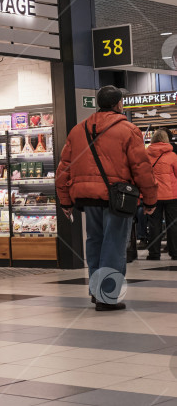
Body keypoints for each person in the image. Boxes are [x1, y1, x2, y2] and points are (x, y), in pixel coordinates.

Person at [56, 85, 157, 312]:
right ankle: (107, 296)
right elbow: (141, 169)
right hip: (117, 199)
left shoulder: (77, 130)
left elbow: (64, 169)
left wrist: (65, 201)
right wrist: (150, 200)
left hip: (87, 198)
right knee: (113, 245)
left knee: (94, 242)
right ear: (119, 103)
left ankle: (96, 290)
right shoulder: (129, 130)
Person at [145, 129, 177, 260]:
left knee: (154, 224)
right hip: (171, 194)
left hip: (153, 195)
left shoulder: (145, 155)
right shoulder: (173, 156)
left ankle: (154, 253)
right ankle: (175, 252)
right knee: (173, 224)